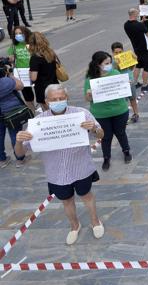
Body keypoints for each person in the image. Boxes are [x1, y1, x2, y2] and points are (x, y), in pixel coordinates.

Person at [15, 84, 105, 245]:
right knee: (66, 200)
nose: (58, 101)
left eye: (61, 98)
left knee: (87, 196)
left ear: (67, 98)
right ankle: (74, 226)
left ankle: (95, 221)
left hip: (81, 168)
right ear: (47, 101)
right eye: (54, 99)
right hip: (56, 172)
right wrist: (19, 141)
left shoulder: (81, 113)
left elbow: (101, 133)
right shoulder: (38, 123)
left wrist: (93, 129)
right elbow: (20, 154)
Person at [84, 51, 132, 171]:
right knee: (106, 136)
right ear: (98, 64)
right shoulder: (90, 78)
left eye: (110, 62)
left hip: (119, 110)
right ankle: (106, 157)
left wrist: (126, 85)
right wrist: (89, 94)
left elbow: (124, 88)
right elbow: (87, 98)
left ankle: (126, 151)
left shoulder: (115, 73)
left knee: (121, 133)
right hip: (101, 113)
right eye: (106, 63)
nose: (109, 65)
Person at [0, 64, 27, 168]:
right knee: (15, 134)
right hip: (11, 112)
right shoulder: (5, 81)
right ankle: (19, 159)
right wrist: (11, 75)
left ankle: (2, 160)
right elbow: (20, 86)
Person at [124, 8, 148, 92]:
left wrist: (141, 21)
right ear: (134, 14)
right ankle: (145, 85)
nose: (139, 15)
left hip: (136, 48)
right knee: (147, 66)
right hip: (145, 48)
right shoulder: (139, 25)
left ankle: (135, 83)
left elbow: (136, 27)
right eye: (137, 13)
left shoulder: (126, 25)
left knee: (138, 66)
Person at [28, 31, 59, 110]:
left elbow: (33, 78)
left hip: (42, 89)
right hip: (55, 85)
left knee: (49, 113)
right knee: (58, 110)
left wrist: (29, 72)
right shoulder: (50, 52)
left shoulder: (35, 58)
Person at [7, 26, 35, 110]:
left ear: (25, 33)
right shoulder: (14, 45)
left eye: (20, 33)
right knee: (28, 96)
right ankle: (32, 113)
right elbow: (11, 58)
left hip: (34, 72)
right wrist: (11, 59)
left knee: (40, 94)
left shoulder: (30, 44)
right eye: (16, 34)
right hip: (22, 74)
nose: (18, 35)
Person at [111, 42, 139, 123]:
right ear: (113, 53)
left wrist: (134, 60)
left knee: (133, 98)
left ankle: (136, 113)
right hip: (121, 84)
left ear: (123, 51)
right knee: (123, 101)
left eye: (120, 52)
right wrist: (117, 63)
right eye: (116, 52)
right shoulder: (113, 62)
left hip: (130, 81)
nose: (118, 54)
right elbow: (115, 71)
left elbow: (131, 68)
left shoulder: (126, 57)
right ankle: (124, 117)